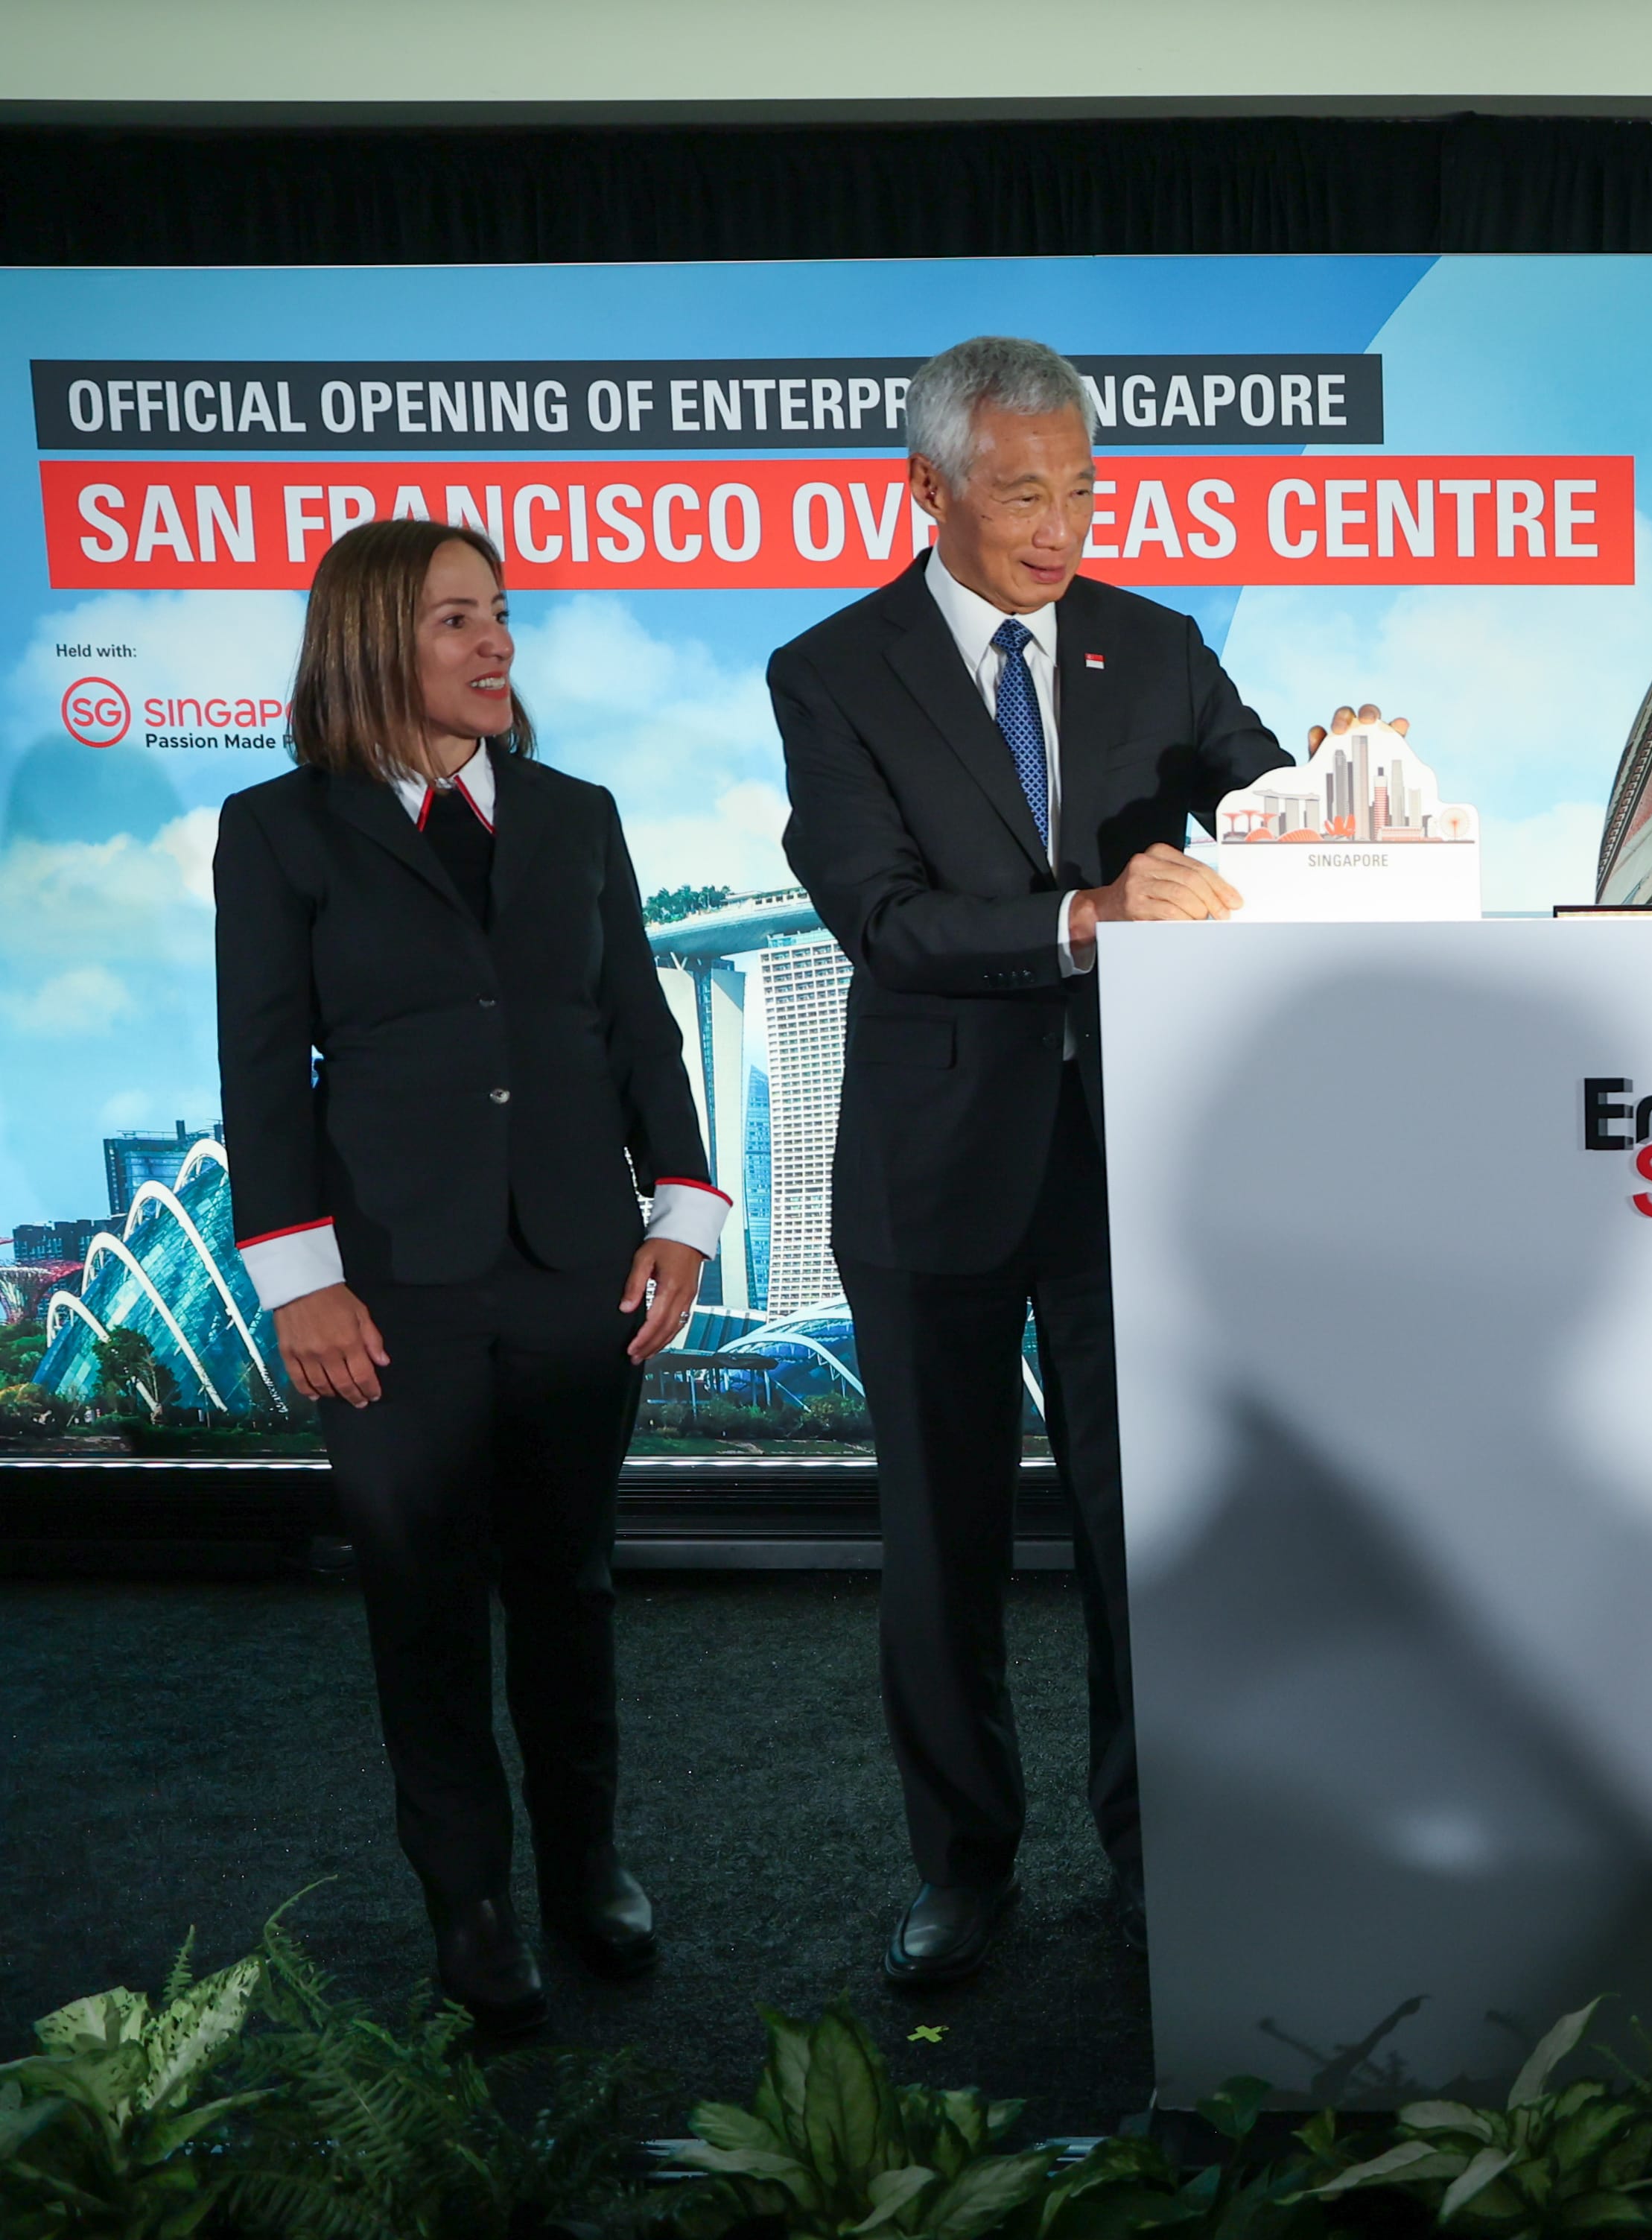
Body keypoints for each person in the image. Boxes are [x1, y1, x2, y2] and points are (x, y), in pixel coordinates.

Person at [771, 335, 1289, 1987]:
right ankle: (963, 1867)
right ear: (928, 489)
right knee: (945, 1546)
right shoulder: (831, 671)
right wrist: (1084, 916)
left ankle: (1159, 1857)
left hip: (1134, 1159)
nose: (1060, 525)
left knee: (1148, 1536)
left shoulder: (1159, 646)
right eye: (1020, 495)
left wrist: (1345, 786)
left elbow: (1272, 806)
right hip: (932, 1163)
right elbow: (883, 917)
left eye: (1080, 489)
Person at [217, 518, 722, 2033]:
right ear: (376, 640)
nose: (497, 640)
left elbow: (638, 1024)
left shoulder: (579, 814)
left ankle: (585, 1868)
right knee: (423, 1602)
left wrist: (683, 1208)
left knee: (569, 1588)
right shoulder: (280, 830)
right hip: (385, 1287)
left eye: (499, 613)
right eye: (457, 619)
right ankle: (472, 1905)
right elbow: (261, 1065)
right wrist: (298, 1278)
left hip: (578, 1263)